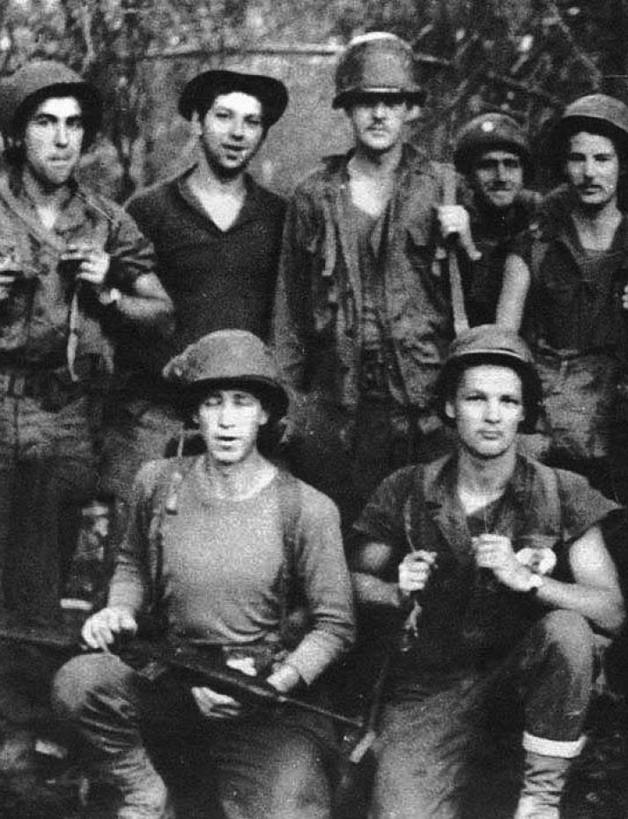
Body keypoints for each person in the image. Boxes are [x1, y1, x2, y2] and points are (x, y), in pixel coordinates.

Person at [53, 329, 355, 818]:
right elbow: (132, 563)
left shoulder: (306, 508)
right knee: (80, 684)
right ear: (195, 413)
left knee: (290, 809)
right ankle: (143, 792)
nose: (226, 420)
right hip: (174, 676)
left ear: (264, 413)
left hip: (262, 694)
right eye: (213, 403)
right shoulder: (158, 482)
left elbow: (335, 625)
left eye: (242, 402)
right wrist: (119, 610)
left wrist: (275, 684)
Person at [349, 324, 624, 818]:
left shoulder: (562, 491)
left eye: (508, 401)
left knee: (567, 630)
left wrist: (530, 580)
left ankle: (540, 801)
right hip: (431, 688)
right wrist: (394, 589)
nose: (493, 415)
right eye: (476, 398)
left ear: (524, 412)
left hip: (524, 682)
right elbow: (348, 584)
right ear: (450, 406)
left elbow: (611, 611)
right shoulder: (406, 489)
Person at [0, 60, 172, 623]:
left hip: (63, 416)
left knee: (40, 587)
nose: (61, 139)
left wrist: (109, 291)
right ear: (17, 132)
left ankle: (29, 679)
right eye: (45, 122)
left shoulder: (106, 222)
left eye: (73, 124)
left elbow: (162, 314)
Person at [273, 32, 455, 530]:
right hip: (341, 409)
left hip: (425, 407)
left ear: (410, 109)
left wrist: (468, 237)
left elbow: (478, 295)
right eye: (365, 102)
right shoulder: (314, 196)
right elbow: (289, 310)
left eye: (391, 102)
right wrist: (288, 406)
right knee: (344, 539)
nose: (378, 114)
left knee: (426, 539)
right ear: (347, 110)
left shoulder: (444, 186)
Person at [101, 69, 289, 525]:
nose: (237, 133)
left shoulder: (279, 216)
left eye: (252, 121)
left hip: (240, 421)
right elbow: (118, 314)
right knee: (140, 542)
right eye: (223, 116)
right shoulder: (149, 210)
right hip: (156, 417)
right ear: (197, 122)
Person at [497, 93, 628, 501]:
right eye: (577, 159)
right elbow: (503, 348)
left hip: (619, 436)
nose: (589, 172)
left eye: (602, 159)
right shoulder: (535, 245)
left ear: (622, 164)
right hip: (551, 433)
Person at [440, 112, 541, 326]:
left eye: (511, 164)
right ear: (468, 175)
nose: (501, 176)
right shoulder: (454, 219)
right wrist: (469, 250)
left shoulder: (538, 215)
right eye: (487, 165)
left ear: (524, 172)